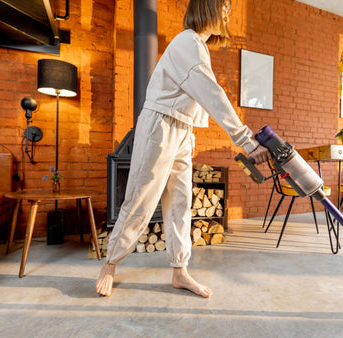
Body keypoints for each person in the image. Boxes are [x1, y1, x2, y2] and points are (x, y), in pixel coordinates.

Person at [96, 0, 270, 298]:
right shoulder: (187, 42)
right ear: (209, 8)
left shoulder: (198, 46)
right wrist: (245, 140)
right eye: (224, 7)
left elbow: (195, 99)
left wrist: (189, 137)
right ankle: (110, 264)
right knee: (140, 198)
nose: (227, 14)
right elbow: (211, 94)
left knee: (180, 204)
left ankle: (180, 271)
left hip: (180, 129)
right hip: (158, 127)